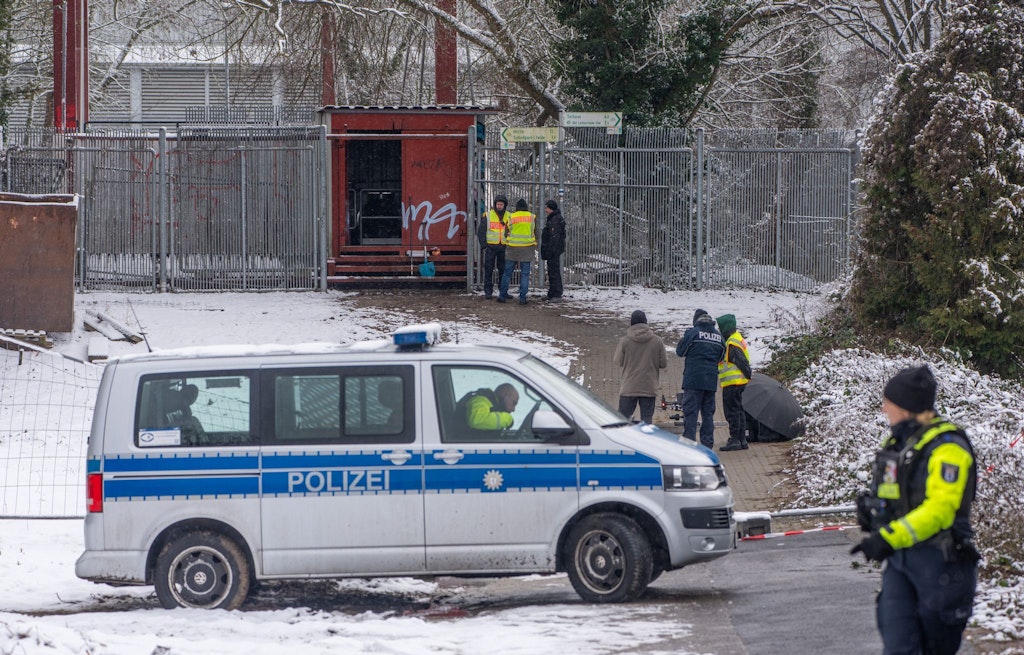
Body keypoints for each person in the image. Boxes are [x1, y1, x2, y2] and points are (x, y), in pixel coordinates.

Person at [851, 365, 979, 655]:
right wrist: (874, 514)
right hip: (901, 564)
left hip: (942, 565)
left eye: (889, 403)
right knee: (897, 646)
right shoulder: (898, 443)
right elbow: (893, 496)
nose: (884, 408)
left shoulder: (948, 448)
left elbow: (940, 511)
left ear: (906, 406)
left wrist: (889, 537)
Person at [674, 309, 724, 448]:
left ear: (696, 320)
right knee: (708, 414)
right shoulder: (718, 337)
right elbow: (721, 357)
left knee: (691, 412)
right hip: (710, 381)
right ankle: (707, 444)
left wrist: (685, 337)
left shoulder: (693, 334)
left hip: (693, 380)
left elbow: (680, 352)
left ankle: (689, 443)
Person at [613, 310, 667, 424]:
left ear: (631, 323)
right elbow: (663, 364)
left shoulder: (625, 341)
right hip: (649, 387)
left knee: (622, 422)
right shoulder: (657, 341)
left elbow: (618, 361)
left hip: (629, 387)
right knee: (646, 422)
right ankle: (645, 441)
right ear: (646, 322)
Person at [716, 313, 752, 451]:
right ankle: (741, 439)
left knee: (731, 411)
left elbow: (741, 361)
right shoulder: (736, 339)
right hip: (738, 382)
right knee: (738, 410)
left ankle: (735, 439)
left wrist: (748, 374)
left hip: (733, 383)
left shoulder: (731, 343)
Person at [498, 198, 538, 305]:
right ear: (526, 207)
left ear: (516, 208)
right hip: (527, 248)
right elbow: (536, 232)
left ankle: (502, 296)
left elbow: (506, 233)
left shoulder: (511, 217)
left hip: (512, 248)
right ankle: (522, 298)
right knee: (524, 274)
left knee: (507, 274)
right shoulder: (532, 217)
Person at [477, 194, 509, 299]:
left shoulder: (509, 216)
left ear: (505, 205)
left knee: (503, 271)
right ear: (495, 204)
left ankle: (503, 291)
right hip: (491, 247)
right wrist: (484, 245)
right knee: (488, 270)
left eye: (501, 204)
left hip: (504, 247)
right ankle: (488, 292)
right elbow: (481, 231)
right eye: (498, 204)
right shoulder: (488, 215)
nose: (499, 206)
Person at [539, 199, 566, 301]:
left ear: (551, 209)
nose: (545, 210)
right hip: (554, 250)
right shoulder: (555, 218)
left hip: (553, 250)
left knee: (554, 271)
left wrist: (550, 250)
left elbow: (554, 237)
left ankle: (556, 294)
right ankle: (552, 293)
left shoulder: (555, 220)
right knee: (552, 271)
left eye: (547, 208)